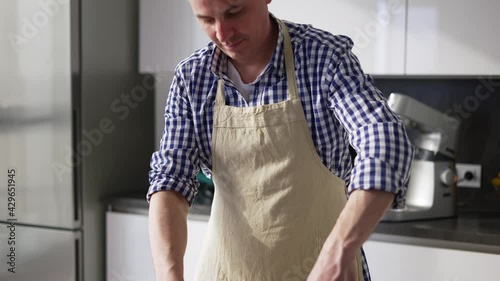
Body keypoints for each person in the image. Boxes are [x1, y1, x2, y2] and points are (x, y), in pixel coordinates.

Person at [147, 0, 414, 280]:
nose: (223, 33)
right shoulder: (192, 77)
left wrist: (341, 250)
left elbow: (384, 139)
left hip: (325, 269)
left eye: (234, 12)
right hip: (227, 271)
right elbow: (170, 180)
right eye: (206, 20)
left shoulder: (323, 58)